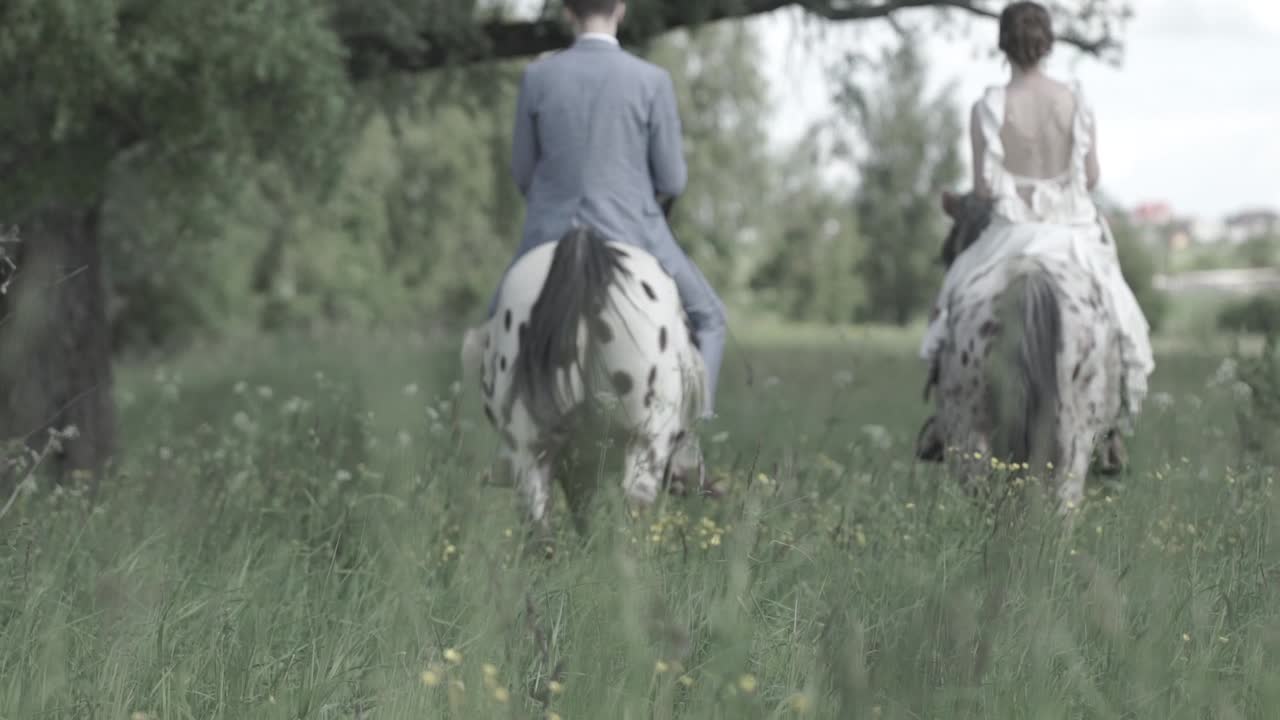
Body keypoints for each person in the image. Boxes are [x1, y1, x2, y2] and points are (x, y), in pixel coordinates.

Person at [915, 1, 1155, 470]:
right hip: (1070, 232)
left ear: (1003, 44)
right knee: (1119, 309)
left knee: (950, 303)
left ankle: (943, 424)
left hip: (1010, 233)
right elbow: (1089, 177)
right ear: (1049, 44)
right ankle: (1111, 431)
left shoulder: (988, 105)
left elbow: (985, 188)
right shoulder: (1074, 101)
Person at [489, 0, 728, 419]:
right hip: (635, 230)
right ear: (621, 8)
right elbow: (673, 180)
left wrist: (553, 207)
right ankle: (688, 442)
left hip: (548, 233)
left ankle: (508, 445)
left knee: (493, 327)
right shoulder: (652, 80)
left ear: (567, 12)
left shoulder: (537, 77)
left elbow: (522, 170)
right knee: (709, 320)